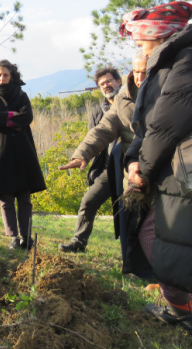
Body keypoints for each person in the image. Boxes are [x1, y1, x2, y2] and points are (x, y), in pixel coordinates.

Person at [120, 1, 192, 330]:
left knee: (167, 237)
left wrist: (142, 171)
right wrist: (134, 159)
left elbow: (167, 124)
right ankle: (180, 305)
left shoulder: (185, 60)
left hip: (183, 170)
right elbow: (144, 126)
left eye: (141, 40)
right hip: (169, 169)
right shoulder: (162, 64)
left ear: (160, 35)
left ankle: (182, 307)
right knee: (158, 234)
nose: (138, 46)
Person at [59, 53, 151, 276]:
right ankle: (131, 267)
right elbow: (101, 130)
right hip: (118, 169)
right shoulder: (119, 102)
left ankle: (158, 272)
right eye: (136, 71)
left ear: (118, 81)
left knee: (150, 220)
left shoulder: (163, 93)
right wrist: (82, 154)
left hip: (154, 166)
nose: (140, 76)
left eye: (145, 71)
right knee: (118, 212)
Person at [57, 67, 122, 252]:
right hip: (108, 169)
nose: (106, 86)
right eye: (102, 84)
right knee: (88, 201)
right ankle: (79, 242)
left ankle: (135, 256)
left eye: (109, 81)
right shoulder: (98, 111)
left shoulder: (129, 104)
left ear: (119, 81)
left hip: (129, 168)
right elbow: (96, 136)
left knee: (129, 212)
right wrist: (84, 156)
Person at [0, 60, 46, 250]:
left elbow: (27, 117)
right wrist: (12, 116)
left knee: (24, 196)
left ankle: (26, 237)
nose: (1, 78)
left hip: (22, 148)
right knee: (6, 197)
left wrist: (4, 117)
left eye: (5, 75)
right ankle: (13, 237)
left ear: (12, 76)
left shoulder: (20, 94)